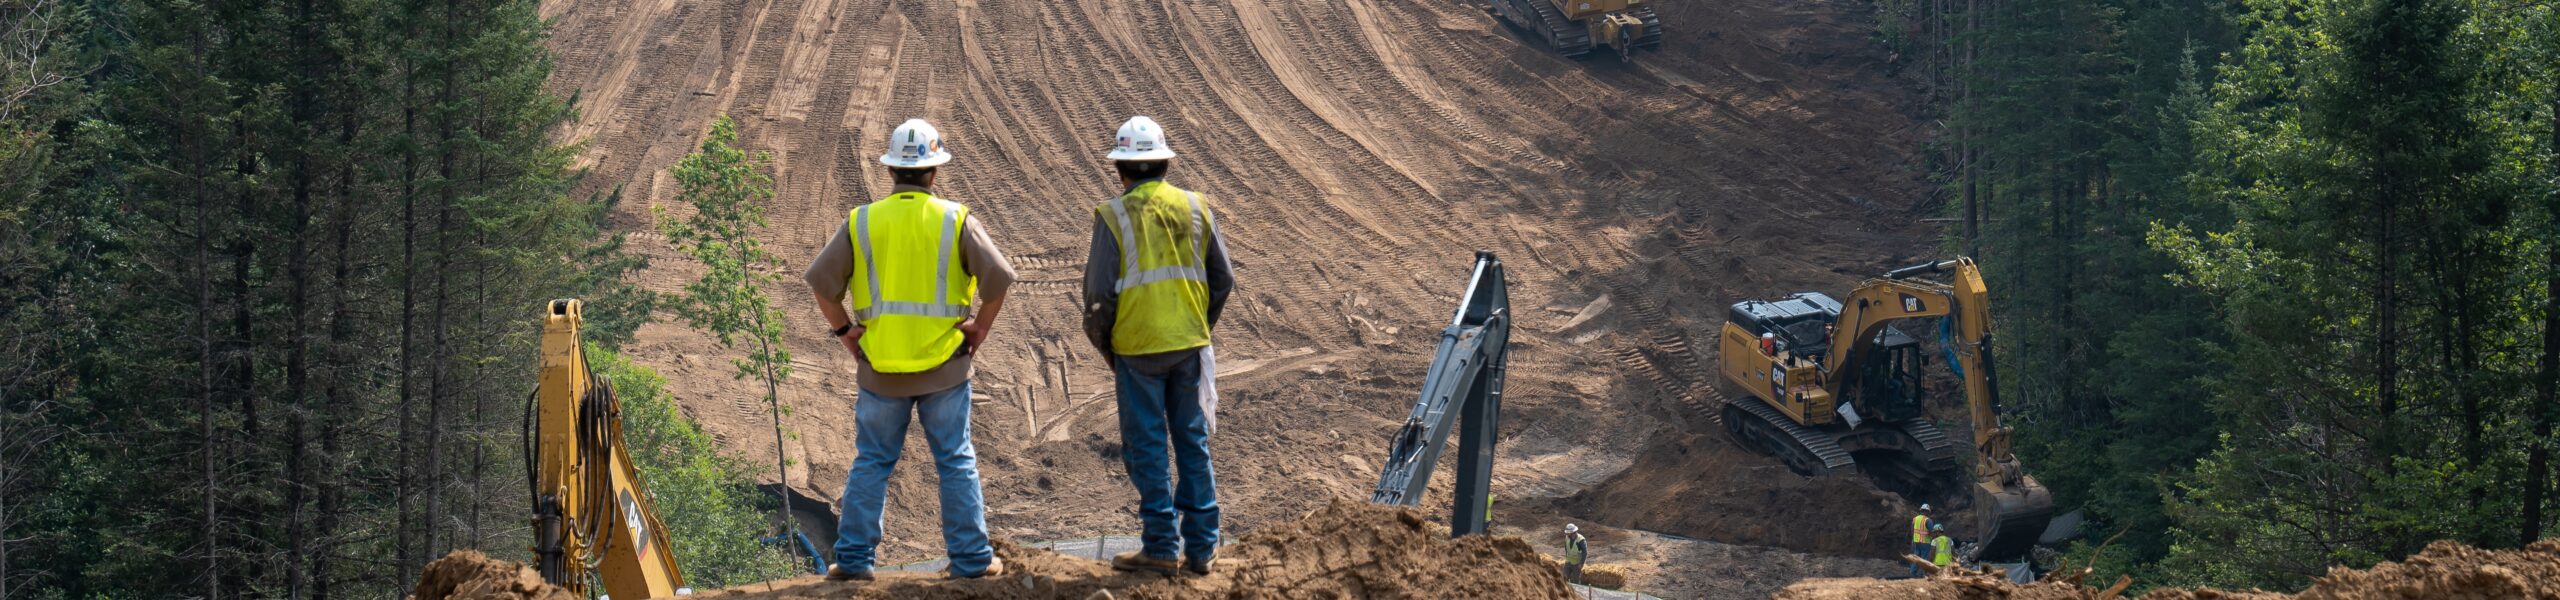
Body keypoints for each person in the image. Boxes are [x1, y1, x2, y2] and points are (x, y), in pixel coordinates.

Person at [805, 118, 1016, 581]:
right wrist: (979, 328)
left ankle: (855, 561)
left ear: (890, 172)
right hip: (945, 368)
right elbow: (1000, 279)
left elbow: (821, 284)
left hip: (880, 368)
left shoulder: (862, 221)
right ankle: (971, 560)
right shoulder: (955, 219)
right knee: (955, 460)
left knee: (873, 461)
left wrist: (845, 333)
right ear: (935, 172)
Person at [1083, 116, 1235, 577]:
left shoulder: (1113, 215)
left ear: (1121, 170)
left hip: (1136, 349)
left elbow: (1097, 295)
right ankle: (1203, 548)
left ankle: (1161, 547)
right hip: (1188, 345)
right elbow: (1222, 279)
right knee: (1192, 441)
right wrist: (1198, 324)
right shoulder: (1195, 207)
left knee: (1147, 446)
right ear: (1166, 164)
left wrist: (1105, 344)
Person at [1908, 503, 1933, 577]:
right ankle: (1923, 574)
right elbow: (1932, 532)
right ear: (1928, 511)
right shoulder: (1928, 520)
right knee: (1924, 559)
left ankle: (1912, 572)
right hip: (1925, 542)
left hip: (1916, 541)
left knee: (1916, 557)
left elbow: (1912, 530)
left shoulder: (1915, 519)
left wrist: (1913, 538)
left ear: (1921, 510)